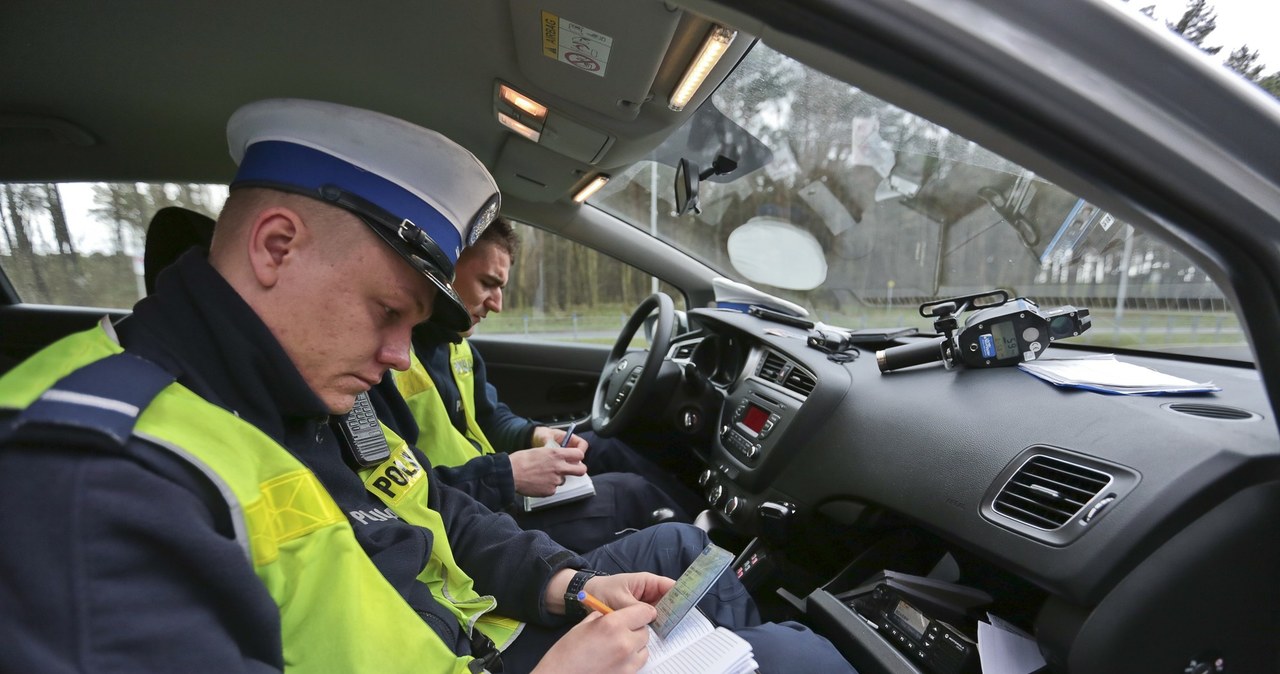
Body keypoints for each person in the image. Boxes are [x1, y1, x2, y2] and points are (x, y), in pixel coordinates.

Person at [0, 98, 856, 673]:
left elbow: (429, 509)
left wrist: (567, 587)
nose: (405, 357)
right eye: (388, 310)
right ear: (275, 246)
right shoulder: (87, 475)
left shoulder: (291, 383)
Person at [390, 219, 699, 552]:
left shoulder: (458, 347)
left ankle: (702, 521)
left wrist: (534, 435)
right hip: (469, 516)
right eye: (487, 283)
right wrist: (506, 475)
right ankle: (708, 545)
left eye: (501, 288)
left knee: (605, 446)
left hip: (487, 485)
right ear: (444, 268)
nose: (497, 304)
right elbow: (406, 493)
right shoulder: (389, 364)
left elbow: (490, 419)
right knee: (632, 495)